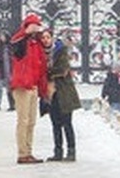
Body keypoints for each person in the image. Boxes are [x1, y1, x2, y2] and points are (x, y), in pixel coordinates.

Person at [9, 12, 48, 164]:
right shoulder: (21, 43)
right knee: (23, 120)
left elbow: (41, 65)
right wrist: (25, 32)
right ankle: (22, 153)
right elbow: (14, 43)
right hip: (22, 85)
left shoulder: (36, 45)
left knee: (31, 121)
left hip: (33, 86)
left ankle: (28, 151)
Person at [43, 29, 80, 162]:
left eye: (48, 37)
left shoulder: (61, 51)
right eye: (43, 38)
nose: (45, 40)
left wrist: (48, 73)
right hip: (50, 93)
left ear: (52, 38)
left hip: (64, 92)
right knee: (55, 123)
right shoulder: (41, 54)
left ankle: (71, 151)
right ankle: (58, 151)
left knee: (67, 123)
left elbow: (63, 70)